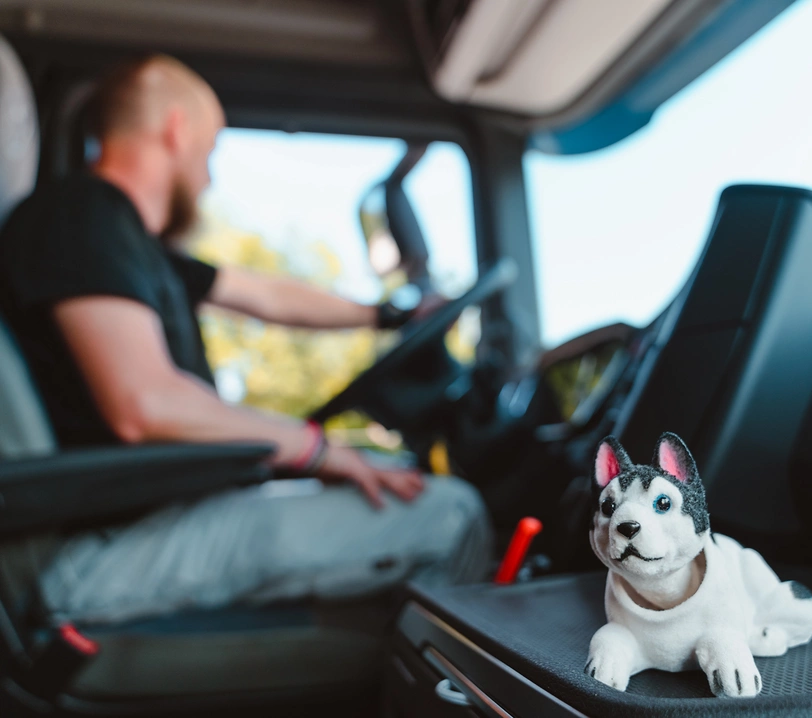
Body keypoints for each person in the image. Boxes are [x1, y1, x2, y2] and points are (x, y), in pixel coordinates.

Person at [0, 55, 491, 624]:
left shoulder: (133, 248)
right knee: (453, 514)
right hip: (102, 547)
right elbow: (145, 404)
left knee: (392, 482)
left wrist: (388, 317)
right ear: (177, 128)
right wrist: (314, 449)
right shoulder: (79, 216)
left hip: (157, 514)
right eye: (210, 153)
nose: (209, 177)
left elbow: (270, 297)